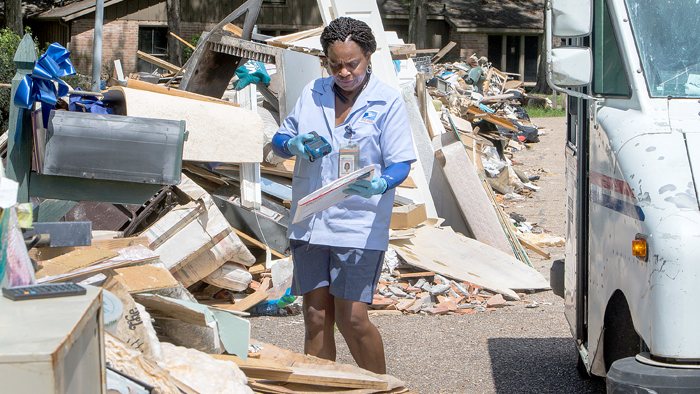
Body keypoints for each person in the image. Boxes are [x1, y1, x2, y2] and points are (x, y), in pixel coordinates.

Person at [271, 17, 416, 374]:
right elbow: (280, 140)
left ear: (368, 56)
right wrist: (291, 143)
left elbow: (401, 163)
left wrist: (382, 184)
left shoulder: (387, 101)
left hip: (358, 224)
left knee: (352, 318)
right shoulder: (313, 93)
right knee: (316, 316)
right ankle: (324, 387)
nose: (344, 72)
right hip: (310, 222)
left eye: (353, 63)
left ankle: (380, 386)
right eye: (335, 64)